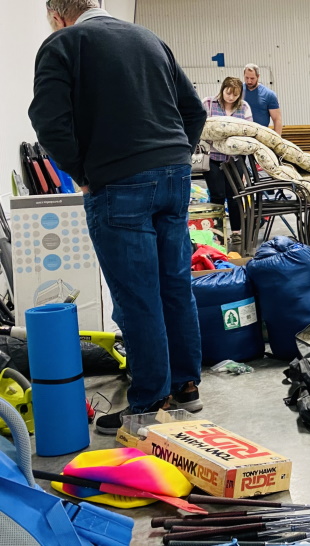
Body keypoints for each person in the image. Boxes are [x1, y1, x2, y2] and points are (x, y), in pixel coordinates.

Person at [30, 0, 206, 434]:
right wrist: (178, 156)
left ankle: (149, 401)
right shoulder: (149, 38)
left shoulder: (63, 43)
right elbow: (195, 110)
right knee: (174, 286)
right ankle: (186, 385)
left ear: (57, 15)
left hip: (119, 182)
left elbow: (49, 122)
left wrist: (83, 174)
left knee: (137, 295)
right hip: (174, 176)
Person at [202, 77, 252, 248]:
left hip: (235, 159)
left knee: (235, 195)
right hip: (213, 158)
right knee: (217, 195)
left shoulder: (244, 107)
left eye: (235, 95)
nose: (231, 97)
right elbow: (200, 126)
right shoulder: (208, 103)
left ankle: (236, 233)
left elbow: (248, 131)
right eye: (228, 93)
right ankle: (217, 232)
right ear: (222, 89)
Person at [243, 63, 283, 135]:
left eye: (252, 78)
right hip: (241, 135)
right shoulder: (237, 92)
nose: (249, 81)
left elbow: (277, 119)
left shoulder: (269, 95)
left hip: (261, 135)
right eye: (246, 78)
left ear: (258, 76)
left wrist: (277, 139)